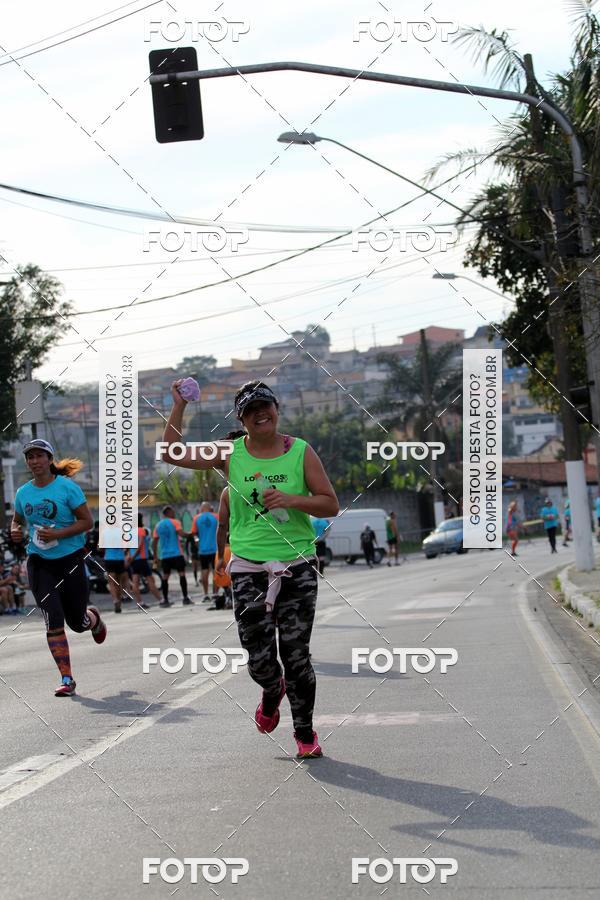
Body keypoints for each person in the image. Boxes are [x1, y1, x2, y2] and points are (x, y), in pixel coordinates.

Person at [161, 379, 339, 759]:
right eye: (251, 410)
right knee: (258, 657)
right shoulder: (229, 452)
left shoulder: (301, 452)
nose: (261, 414)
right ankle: (272, 690)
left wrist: (292, 499)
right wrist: (178, 406)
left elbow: (329, 505)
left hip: (297, 564)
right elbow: (172, 453)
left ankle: (305, 733)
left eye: (266, 407)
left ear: (276, 410)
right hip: (247, 568)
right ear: (241, 419)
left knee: (296, 655)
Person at [10, 439, 107, 696]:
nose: (35, 461)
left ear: (49, 459)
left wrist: (59, 534)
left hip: (70, 560)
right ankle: (67, 678)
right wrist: (16, 531)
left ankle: (93, 618)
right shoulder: (23, 493)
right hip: (39, 562)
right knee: (53, 618)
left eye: (39, 456)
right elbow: (17, 521)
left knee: (77, 623)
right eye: (30, 457)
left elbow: (87, 522)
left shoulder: (67, 488)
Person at [152, 505, 193, 606]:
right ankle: (185, 598)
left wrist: (155, 556)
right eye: (172, 512)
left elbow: (154, 542)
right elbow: (181, 534)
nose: (174, 513)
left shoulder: (158, 525)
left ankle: (165, 600)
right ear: (168, 512)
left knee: (165, 576)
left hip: (165, 555)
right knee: (182, 574)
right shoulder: (175, 522)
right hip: (176, 553)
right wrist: (191, 534)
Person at [130, 513, 161, 608]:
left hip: (134, 560)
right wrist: (134, 556)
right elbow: (139, 546)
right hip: (141, 559)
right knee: (150, 580)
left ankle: (140, 603)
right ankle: (161, 600)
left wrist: (131, 557)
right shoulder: (141, 530)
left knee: (135, 582)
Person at [191, 501, 219, 603]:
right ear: (210, 508)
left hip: (203, 550)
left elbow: (194, 534)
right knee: (215, 571)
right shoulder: (217, 516)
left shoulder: (196, 518)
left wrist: (197, 541)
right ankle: (215, 594)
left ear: (201, 509)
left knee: (204, 571)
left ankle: (206, 594)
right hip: (216, 549)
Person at [211, 487, 232, 610]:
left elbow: (222, 525)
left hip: (239, 554)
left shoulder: (228, 492)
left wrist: (219, 557)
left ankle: (217, 596)